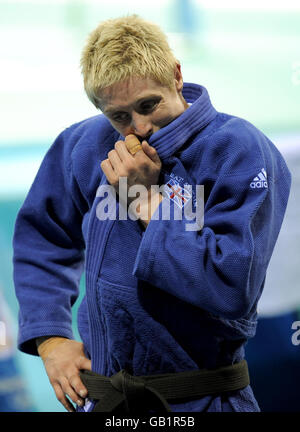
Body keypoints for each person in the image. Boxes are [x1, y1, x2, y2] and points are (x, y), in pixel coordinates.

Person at [12, 14, 291, 413]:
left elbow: (231, 288)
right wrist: (50, 338)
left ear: (176, 75)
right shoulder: (84, 146)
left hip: (203, 398)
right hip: (108, 401)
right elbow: (43, 241)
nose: (139, 128)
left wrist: (146, 202)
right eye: (119, 116)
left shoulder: (237, 150)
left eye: (149, 105)